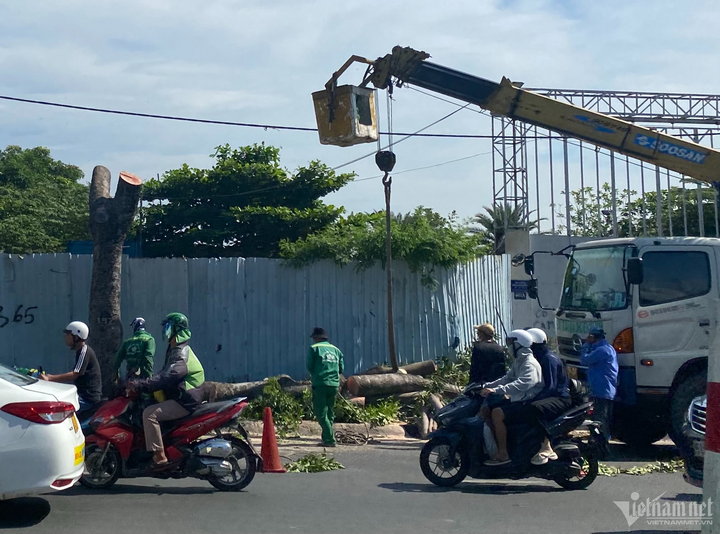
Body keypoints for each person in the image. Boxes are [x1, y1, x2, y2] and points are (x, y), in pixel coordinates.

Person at [128, 313, 207, 466]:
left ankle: (159, 455)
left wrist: (142, 384)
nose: (165, 331)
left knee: (149, 414)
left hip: (185, 399)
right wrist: (143, 382)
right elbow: (164, 374)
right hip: (181, 395)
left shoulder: (180, 352)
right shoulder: (175, 349)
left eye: (167, 327)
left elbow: (170, 375)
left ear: (176, 330)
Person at [479, 329, 543, 466]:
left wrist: (497, 390)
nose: (507, 347)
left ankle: (503, 453)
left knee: (497, 414)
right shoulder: (520, 361)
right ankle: (494, 447)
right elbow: (508, 378)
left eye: (510, 343)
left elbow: (523, 384)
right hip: (519, 400)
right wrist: (486, 386)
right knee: (487, 409)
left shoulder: (529, 363)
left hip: (528, 403)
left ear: (518, 345)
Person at [526, 328, 571, 465]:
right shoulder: (537, 358)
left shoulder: (548, 359)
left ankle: (546, 445)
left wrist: (533, 399)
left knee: (535, 408)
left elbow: (551, 387)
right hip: (551, 395)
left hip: (560, 397)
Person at [41, 321, 102, 414]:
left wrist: (50, 378)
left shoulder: (84, 351)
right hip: (82, 395)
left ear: (76, 337)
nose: (65, 337)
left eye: (68, 335)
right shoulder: (80, 351)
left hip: (87, 398)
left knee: (58, 411)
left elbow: (75, 374)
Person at [306, 327, 344, 448]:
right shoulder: (336, 350)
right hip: (334, 384)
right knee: (330, 412)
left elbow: (310, 366)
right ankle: (326, 436)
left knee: (321, 412)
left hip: (320, 383)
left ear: (317, 338)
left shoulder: (314, 349)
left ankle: (329, 439)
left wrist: (316, 375)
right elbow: (341, 368)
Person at [580, 326, 618, 442]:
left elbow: (585, 360)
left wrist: (585, 346)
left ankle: (601, 443)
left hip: (601, 389)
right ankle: (601, 441)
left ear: (592, 337)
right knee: (602, 418)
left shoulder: (602, 350)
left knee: (600, 419)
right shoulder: (606, 348)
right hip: (603, 389)